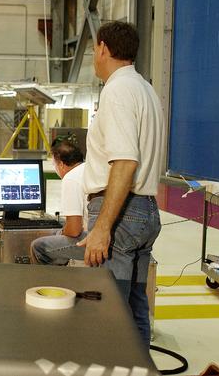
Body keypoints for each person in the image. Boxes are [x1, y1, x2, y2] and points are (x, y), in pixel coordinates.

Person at [76, 21, 164, 347]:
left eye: (93, 50)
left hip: (122, 214)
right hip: (146, 211)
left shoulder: (117, 90)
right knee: (134, 309)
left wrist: (102, 227)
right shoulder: (145, 89)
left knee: (108, 312)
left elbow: (125, 161)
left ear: (103, 48)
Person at [30, 137, 87, 265]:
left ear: (61, 164)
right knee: (56, 234)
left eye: (54, 164)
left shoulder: (71, 178)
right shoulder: (87, 170)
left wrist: (63, 231)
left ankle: (50, 282)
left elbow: (74, 230)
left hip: (90, 239)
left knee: (38, 247)